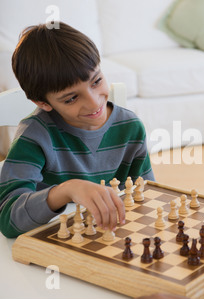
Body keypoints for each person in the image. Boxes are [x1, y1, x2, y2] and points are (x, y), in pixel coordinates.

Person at [0, 22, 154, 238]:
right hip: (57, 242)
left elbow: (148, 195)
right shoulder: (34, 136)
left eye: (97, 81)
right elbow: (8, 220)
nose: (93, 103)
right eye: (71, 98)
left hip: (111, 241)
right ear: (43, 103)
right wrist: (67, 190)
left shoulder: (130, 127)